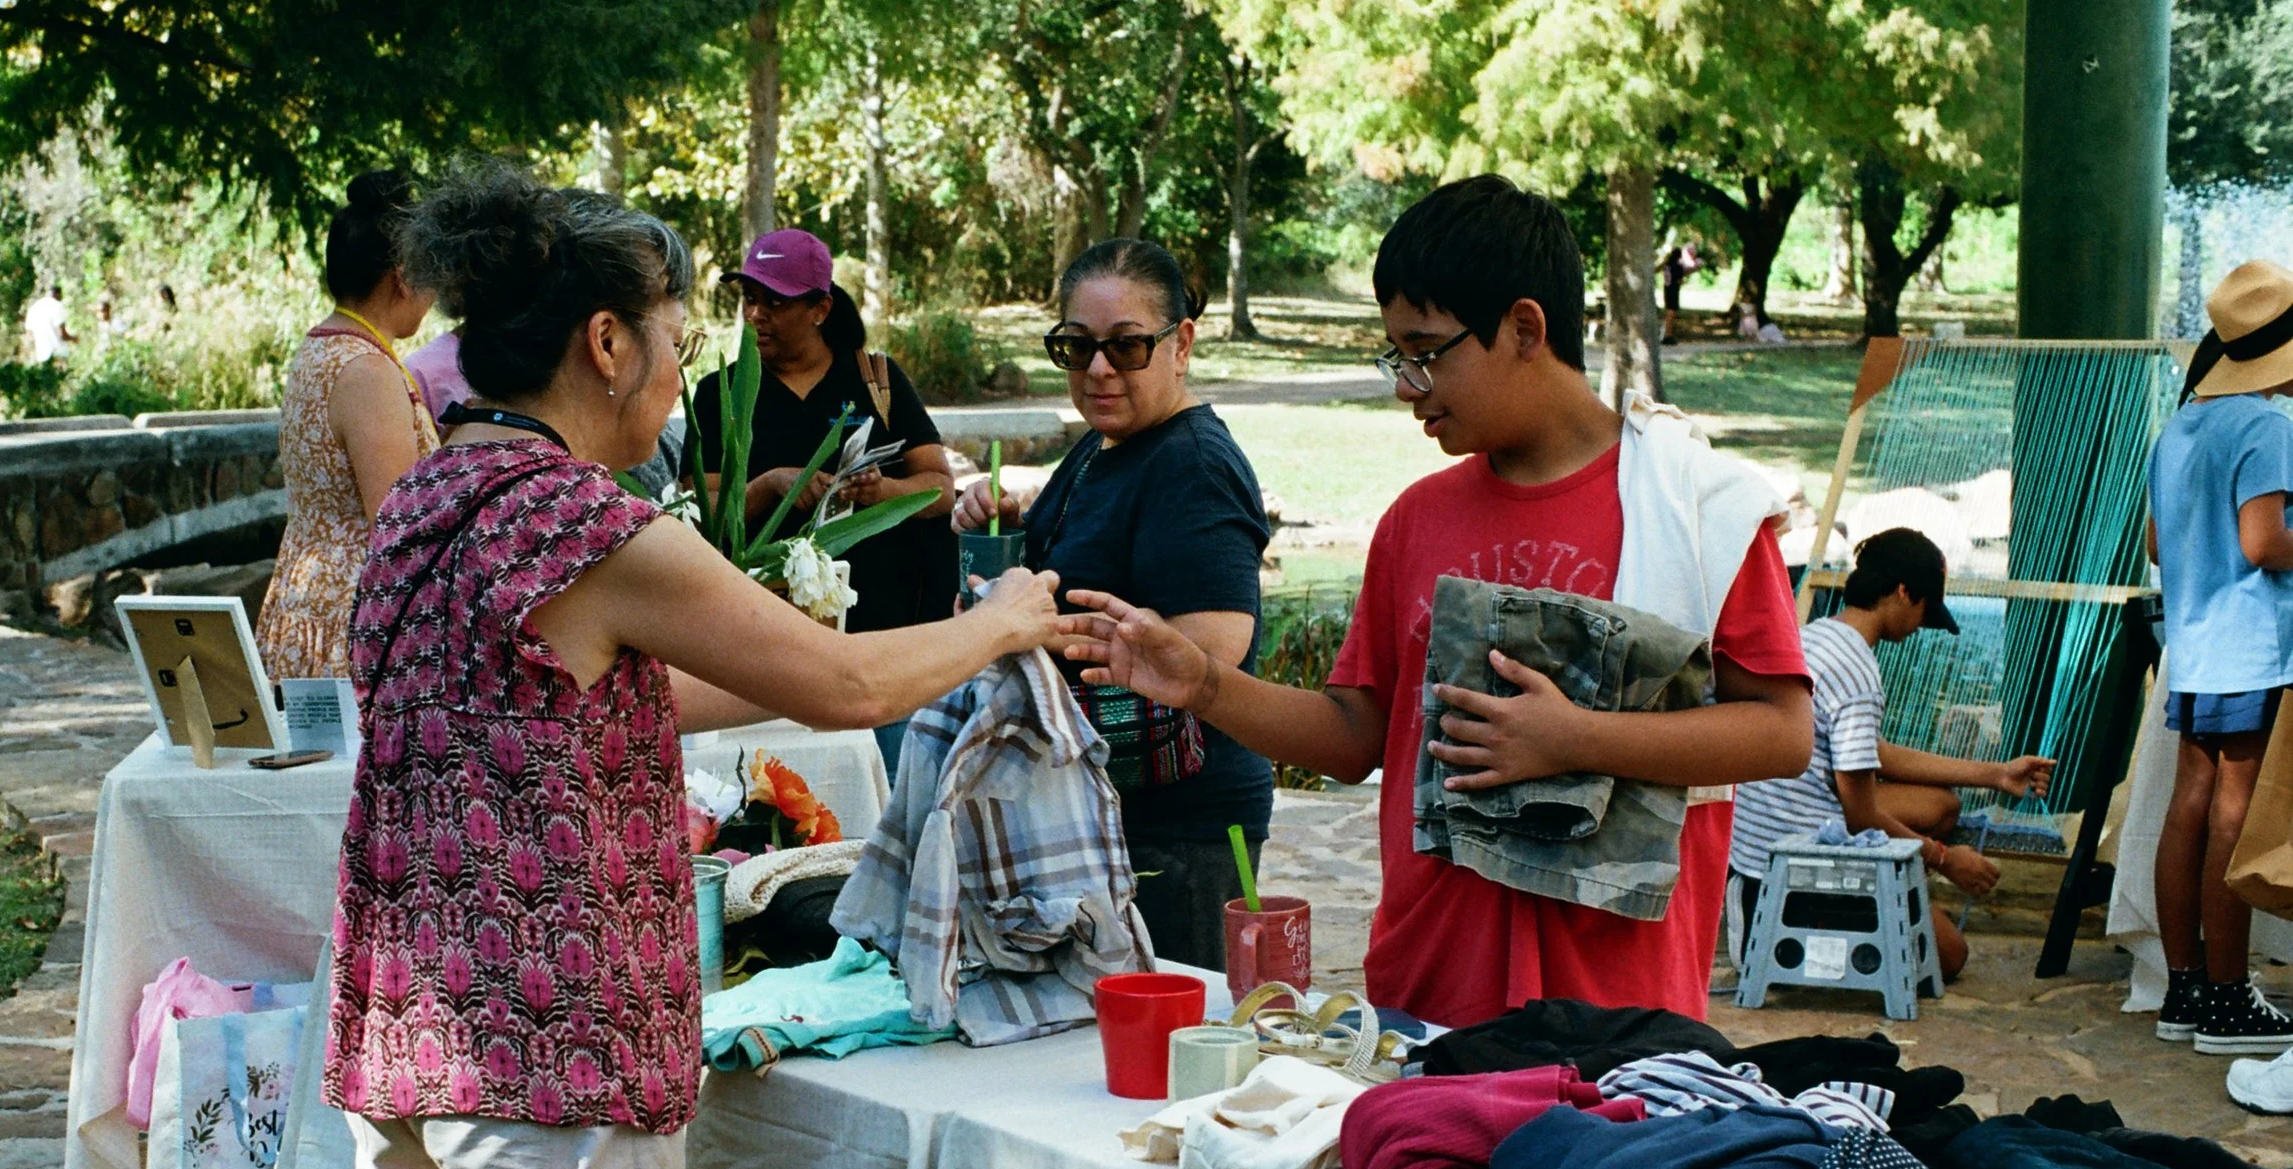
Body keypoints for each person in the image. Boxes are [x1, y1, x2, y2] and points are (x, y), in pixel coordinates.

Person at [325, 163, 1062, 1169]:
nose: (685, 366)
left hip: (407, 1050)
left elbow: (603, 699)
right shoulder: (587, 520)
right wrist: (1006, 616)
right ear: (607, 340)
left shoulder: (431, 503)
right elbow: (847, 682)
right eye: (673, 330)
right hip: (550, 1074)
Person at [1058, 176, 1815, 1029]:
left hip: (1617, 1006)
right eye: (1396, 357)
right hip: (1428, 992)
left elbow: (1781, 733)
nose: (1406, 387)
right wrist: (1200, 684)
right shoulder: (1416, 521)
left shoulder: (1694, 510)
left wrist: (1576, 739)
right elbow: (1353, 737)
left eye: (1424, 352)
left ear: (1524, 329)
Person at [954, 238, 1273, 969]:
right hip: (1108, 814)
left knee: (1172, 1054)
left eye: (1127, 347)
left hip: (1181, 833)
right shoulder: (1106, 444)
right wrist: (1010, 527)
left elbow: (1209, 652)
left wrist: (1022, 626)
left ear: (1180, 343)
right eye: (1077, 346)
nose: (1098, 368)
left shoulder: (1191, 462)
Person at [1728, 527, 2056, 982]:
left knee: (1942, 805)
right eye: (1924, 610)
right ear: (1903, 592)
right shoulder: (1858, 675)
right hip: (1793, 876)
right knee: (1948, 956)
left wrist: (1997, 774)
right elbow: (1861, 816)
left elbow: (1868, 752)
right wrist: (1944, 859)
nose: (1922, 624)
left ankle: (1897, 894)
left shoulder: (1816, 637)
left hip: (1752, 862)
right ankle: (1841, 919)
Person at [687, 229, 956, 760]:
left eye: (775, 302)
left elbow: (941, 490)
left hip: (882, 643)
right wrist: (770, 488)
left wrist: (884, 491)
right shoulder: (722, 394)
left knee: (894, 795)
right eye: (750, 300)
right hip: (771, 655)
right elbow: (698, 514)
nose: (756, 316)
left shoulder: (874, 379)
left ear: (820, 308)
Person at [2143, 259, 2293, 1062]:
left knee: (2189, 805)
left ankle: (2185, 985)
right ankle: (2230, 999)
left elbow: (2159, 547)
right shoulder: (2267, 426)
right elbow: (2264, 543)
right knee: (2235, 812)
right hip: (2250, 642)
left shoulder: (2180, 425)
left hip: (2195, 642)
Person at [258, 170, 439, 680]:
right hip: (356, 616)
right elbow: (397, 522)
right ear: (403, 275)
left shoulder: (318, 349)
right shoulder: (367, 370)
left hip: (307, 597)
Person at [23, 282, 73, 365]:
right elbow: (62, 334)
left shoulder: (34, 308)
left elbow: (29, 335)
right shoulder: (57, 305)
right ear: (58, 294)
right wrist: (74, 339)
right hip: (58, 355)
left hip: (42, 356)